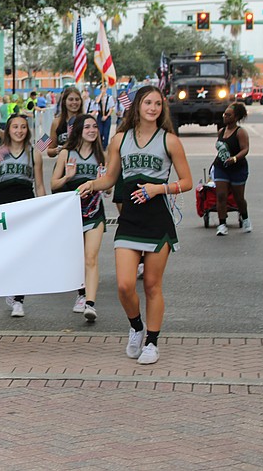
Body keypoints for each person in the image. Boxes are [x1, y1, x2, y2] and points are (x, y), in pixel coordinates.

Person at [78, 85, 192, 365]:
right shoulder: (120, 139)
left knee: (152, 285)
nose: (153, 108)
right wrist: (92, 184)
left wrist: (159, 189)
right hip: (130, 219)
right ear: (137, 106)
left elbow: (187, 182)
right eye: (148, 103)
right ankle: (136, 326)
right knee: (124, 285)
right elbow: (111, 178)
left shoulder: (170, 141)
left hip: (157, 220)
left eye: (157, 104)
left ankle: (152, 342)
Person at [0, 114, 45, 317]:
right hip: (5, 203)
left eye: (23, 127)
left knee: (23, 252)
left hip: (26, 202)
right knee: (8, 251)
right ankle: (10, 287)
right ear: (8, 130)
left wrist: (44, 207)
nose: (19, 131)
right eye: (15, 127)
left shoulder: (34, 152)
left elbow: (40, 185)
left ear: (27, 130)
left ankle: (18, 299)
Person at [51, 114, 106, 322]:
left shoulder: (102, 155)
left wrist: (103, 182)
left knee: (91, 257)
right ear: (79, 130)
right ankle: (81, 293)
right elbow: (53, 184)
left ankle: (90, 303)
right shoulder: (66, 152)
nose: (92, 130)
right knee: (77, 257)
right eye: (87, 127)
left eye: (95, 127)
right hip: (72, 212)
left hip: (94, 211)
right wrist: (68, 176)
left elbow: (108, 188)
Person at [213, 102, 251, 235]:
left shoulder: (241, 132)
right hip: (221, 167)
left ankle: (245, 218)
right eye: (224, 114)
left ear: (236, 117)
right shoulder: (221, 132)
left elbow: (245, 149)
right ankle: (222, 224)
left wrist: (234, 158)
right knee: (221, 195)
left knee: (238, 197)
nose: (225, 117)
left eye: (228, 115)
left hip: (238, 168)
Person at [48, 86, 84, 158]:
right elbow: (49, 151)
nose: (74, 102)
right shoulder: (56, 122)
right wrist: (57, 150)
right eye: (71, 99)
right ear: (64, 101)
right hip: (63, 164)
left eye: (77, 99)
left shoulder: (86, 121)